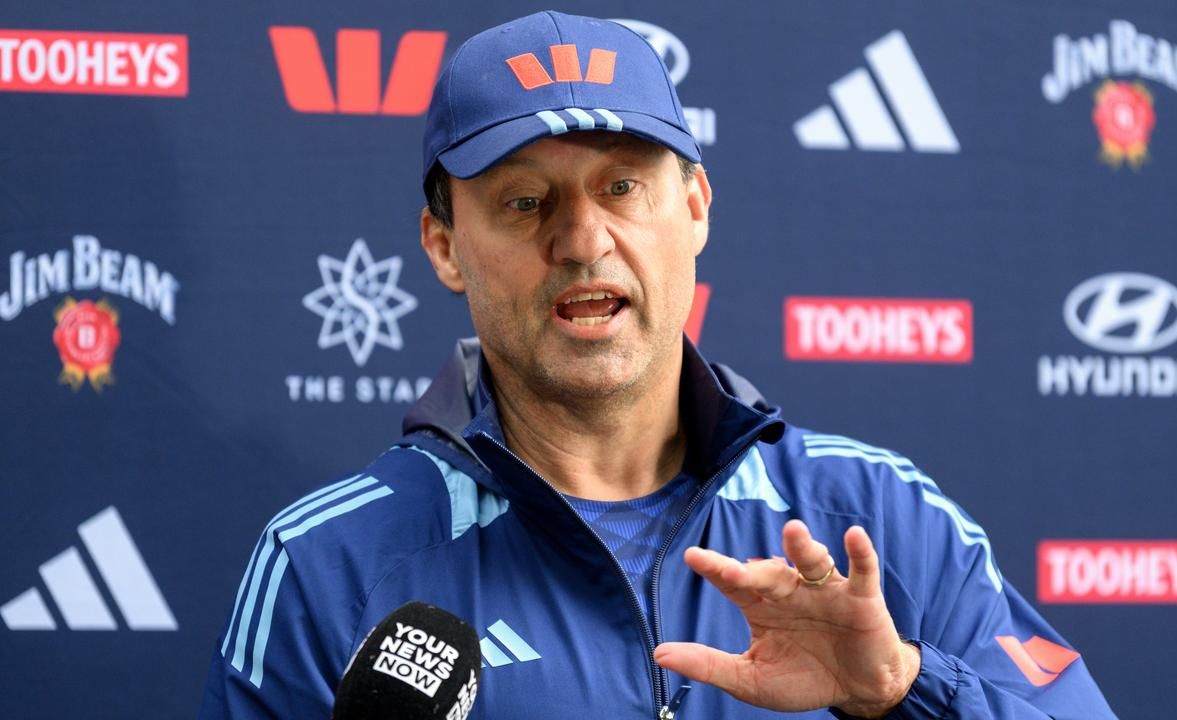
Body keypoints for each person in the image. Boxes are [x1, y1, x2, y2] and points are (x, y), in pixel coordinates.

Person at [200, 11, 1116, 719]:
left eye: (622, 186)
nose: (582, 238)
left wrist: (902, 691)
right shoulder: (328, 566)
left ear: (697, 207)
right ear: (444, 246)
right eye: (523, 201)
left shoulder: (878, 524)